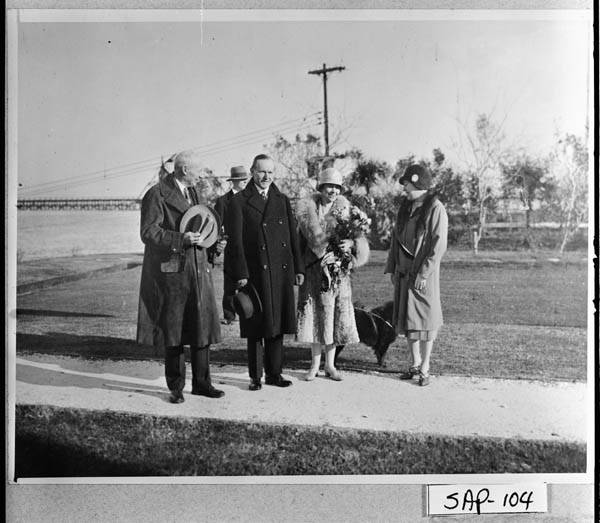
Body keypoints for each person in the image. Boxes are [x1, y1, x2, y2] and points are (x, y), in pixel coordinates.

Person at [136, 150, 226, 403]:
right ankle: (176, 388)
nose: (201, 175)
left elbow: (198, 226)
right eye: (199, 170)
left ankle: (202, 383)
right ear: (185, 169)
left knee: (201, 328)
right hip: (173, 275)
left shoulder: (193, 193)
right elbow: (148, 232)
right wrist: (180, 239)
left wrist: (212, 243)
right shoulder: (156, 194)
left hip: (197, 271)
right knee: (173, 332)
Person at [224, 154, 305, 390]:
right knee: (255, 327)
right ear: (252, 171)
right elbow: (236, 243)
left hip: (280, 272)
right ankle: (255, 377)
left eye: (270, 172)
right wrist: (240, 274)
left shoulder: (281, 199)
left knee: (277, 325)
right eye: (261, 172)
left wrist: (298, 268)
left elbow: (292, 237)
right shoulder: (238, 202)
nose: (266, 176)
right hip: (254, 274)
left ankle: (274, 374)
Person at [295, 167, 370, 381]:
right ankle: (314, 365)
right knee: (316, 318)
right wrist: (300, 268)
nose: (333, 191)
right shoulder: (307, 212)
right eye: (329, 186)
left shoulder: (347, 211)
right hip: (314, 273)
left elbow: (360, 240)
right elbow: (300, 244)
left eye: (337, 187)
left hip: (338, 275)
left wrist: (352, 244)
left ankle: (330, 365)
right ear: (321, 187)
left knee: (334, 319)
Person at [384, 164, 448, 386]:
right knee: (409, 319)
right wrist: (392, 267)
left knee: (426, 321)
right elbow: (395, 241)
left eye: (407, 184)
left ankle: (425, 367)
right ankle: (414, 363)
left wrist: (423, 273)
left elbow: (438, 246)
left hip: (423, 276)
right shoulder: (406, 208)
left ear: (418, 183)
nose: (404, 189)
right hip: (403, 273)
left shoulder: (435, 208)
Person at [214, 165, 249, 325]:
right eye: (241, 180)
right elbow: (216, 224)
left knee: (248, 280)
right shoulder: (222, 201)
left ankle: (247, 312)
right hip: (231, 247)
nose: (244, 182)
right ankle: (229, 315)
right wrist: (220, 242)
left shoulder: (250, 199)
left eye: (245, 179)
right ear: (233, 181)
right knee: (229, 283)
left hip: (248, 245)